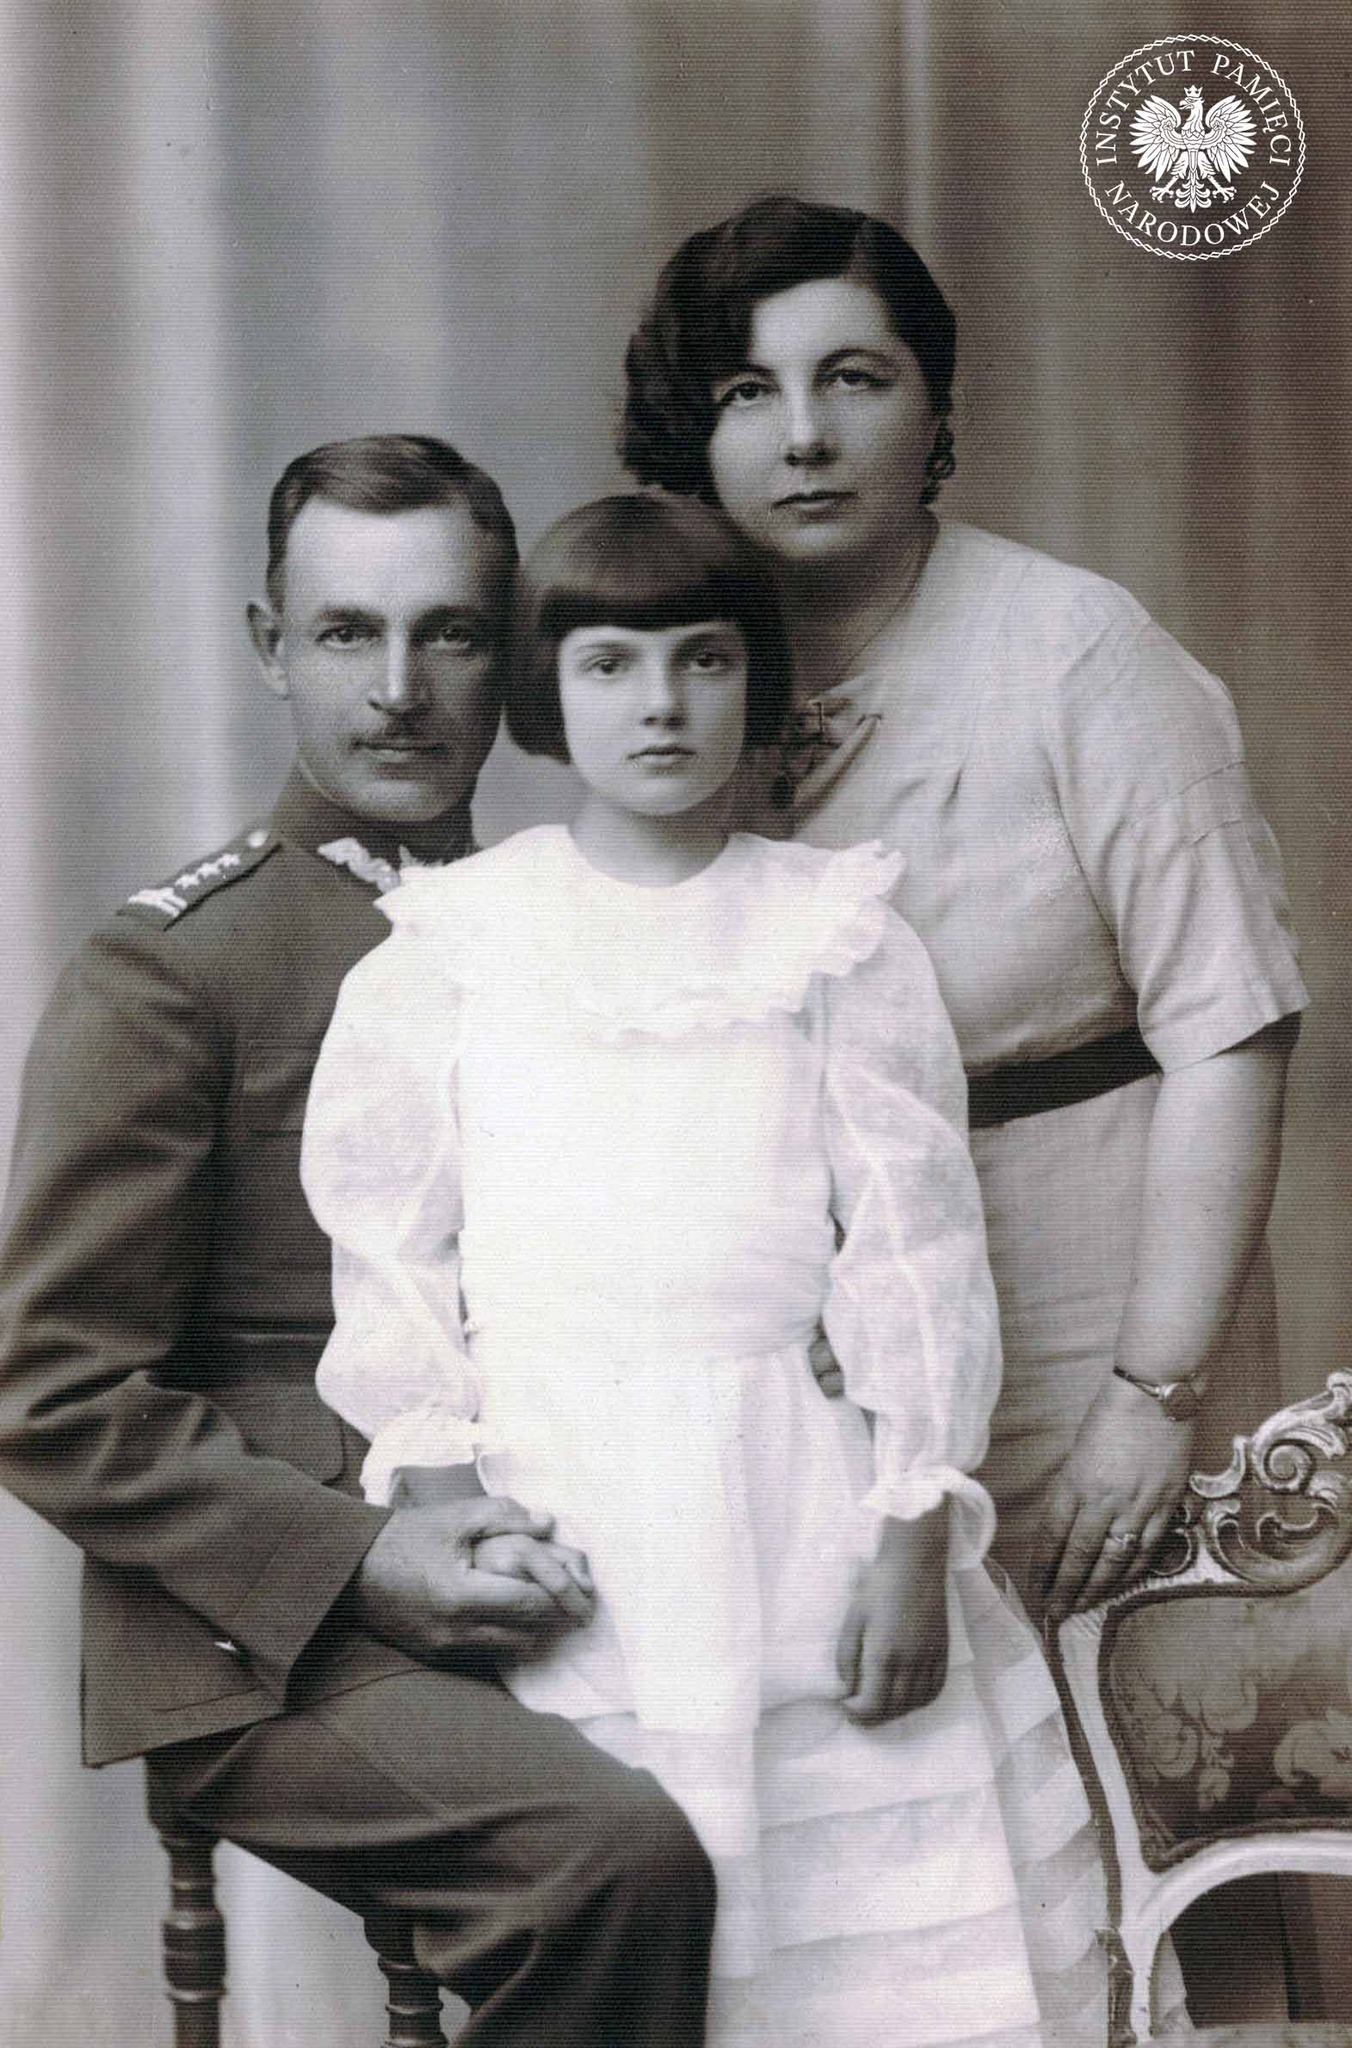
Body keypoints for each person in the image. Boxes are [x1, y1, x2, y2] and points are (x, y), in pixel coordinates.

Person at [301, 492, 1110, 2048]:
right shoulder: (453, 943)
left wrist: (911, 1531)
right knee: (637, 1916)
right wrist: (447, 1501)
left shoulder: (836, 933)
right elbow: (389, 1251)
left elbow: (917, 1253)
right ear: (546, 690)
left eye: (703, 659)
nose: (661, 704)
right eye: (609, 664)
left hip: (796, 1491)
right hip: (565, 1510)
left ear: (757, 680)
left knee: (862, 1958)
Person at [0, 435, 716, 2048]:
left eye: (449, 632)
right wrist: (361, 1556)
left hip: (550, 1543)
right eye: (347, 633)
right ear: (273, 647)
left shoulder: (569, 927)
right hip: (274, 1629)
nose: (400, 690)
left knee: (807, 1780)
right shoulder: (175, 968)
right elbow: (48, 1394)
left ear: (506, 651)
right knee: (614, 1865)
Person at [620, 195, 1308, 1625]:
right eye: (748, 392)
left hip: (1097, 1326)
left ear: (934, 409)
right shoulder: (680, 683)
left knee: (1134, 1729)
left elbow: (1233, 1034)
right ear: (696, 433)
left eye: (852, 379)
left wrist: (1153, 1399)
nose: (803, 436)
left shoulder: (1076, 652)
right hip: (829, 1353)